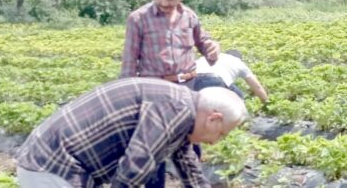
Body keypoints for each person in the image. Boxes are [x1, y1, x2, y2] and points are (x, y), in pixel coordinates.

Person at [15, 78, 247, 188]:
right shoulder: (175, 109)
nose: (216, 142)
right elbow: (135, 166)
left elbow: (189, 168)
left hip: (59, 165)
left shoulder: (182, 110)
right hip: (54, 166)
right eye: (222, 134)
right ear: (213, 118)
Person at [120, 0, 220, 186]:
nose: (164, 2)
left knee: (191, 144)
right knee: (154, 149)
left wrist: (212, 47)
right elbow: (129, 62)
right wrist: (127, 100)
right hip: (155, 90)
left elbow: (204, 42)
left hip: (188, 88)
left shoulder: (190, 16)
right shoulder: (138, 19)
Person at [194, 49, 268, 103]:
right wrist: (265, 102)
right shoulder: (238, 62)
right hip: (214, 80)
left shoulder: (208, 57)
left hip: (192, 80)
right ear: (239, 58)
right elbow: (257, 87)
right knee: (238, 99)